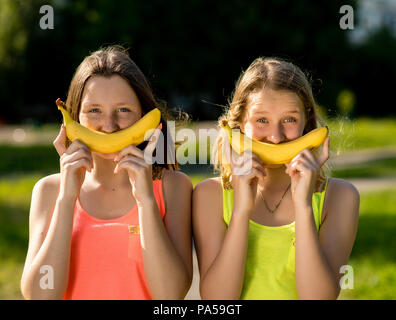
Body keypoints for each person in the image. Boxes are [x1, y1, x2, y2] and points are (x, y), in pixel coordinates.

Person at [20, 45, 193, 300]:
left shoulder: (173, 187)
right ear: (73, 120)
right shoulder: (49, 191)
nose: (109, 125)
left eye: (123, 110)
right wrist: (67, 200)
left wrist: (145, 201)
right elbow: (40, 296)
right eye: (94, 111)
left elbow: (171, 295)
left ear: (144, 118)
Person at [192, 57, 360, 300]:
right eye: (262, 120)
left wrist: (303, 206)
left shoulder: (340, 197)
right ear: (239, 125)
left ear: (307, 124)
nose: (276, 136)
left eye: (289, 119)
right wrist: (241, 211)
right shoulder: (210, 195)